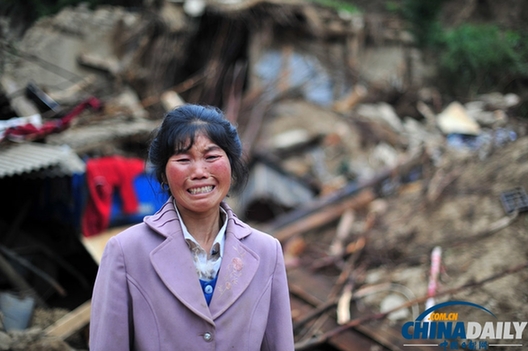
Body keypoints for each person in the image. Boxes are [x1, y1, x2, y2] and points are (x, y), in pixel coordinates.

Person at [89, 104, 295, 350]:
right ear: (163, 174)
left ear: (231, 164)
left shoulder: (267, 252)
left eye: (211, 157)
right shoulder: (127, 251)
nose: (199, 172)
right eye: (183, 159)